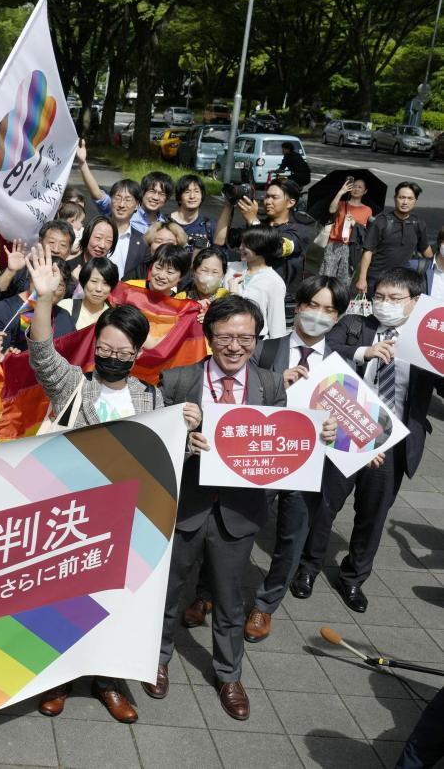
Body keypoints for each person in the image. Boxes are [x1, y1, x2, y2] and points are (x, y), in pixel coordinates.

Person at [26, 247, 164, 723]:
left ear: (138, 354)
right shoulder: (74, 388)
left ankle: (108, 682)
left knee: (115, 607)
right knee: (65, 604)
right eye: (103, 349)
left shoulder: (155, 398)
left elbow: (168, 456)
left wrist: (191, 430)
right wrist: (45, 301)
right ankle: (59, 679)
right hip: (70, 520)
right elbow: (42, 353)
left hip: (126, 525)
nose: (110, 358)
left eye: (122, 353)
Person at [149, 296, 288, 721]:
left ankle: (229, 674)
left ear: (256, 340)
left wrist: (322, 432)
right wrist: (180, 438)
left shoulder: (271, 384)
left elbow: (282, 447)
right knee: (168, 592)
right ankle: (156, 659)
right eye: (225, 336)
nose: (234, 346)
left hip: (239, 511)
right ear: (209, 337)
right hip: (185, 504)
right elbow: (152, 448)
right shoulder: (175, 381)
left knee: (230, 600)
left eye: (245, 338)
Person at [294, 267, 436, 612]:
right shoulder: (358, 325)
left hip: (393, 440)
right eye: (379, 297)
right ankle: (307, 568)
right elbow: (327, 347)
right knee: (325, 504)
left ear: (415, 302)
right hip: (348, 428)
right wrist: (363, 354)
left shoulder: (426, 340)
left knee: (373, 514)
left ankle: (353, 578)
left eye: (394, 298)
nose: (384, 304)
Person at [241, 276, 349, 641]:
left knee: (293, 536)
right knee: (239, 527)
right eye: (312, 306)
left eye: (328, 310)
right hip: (265, 454)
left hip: (311, 463)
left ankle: (265, 606)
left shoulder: (342, 362)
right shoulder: (265, 350)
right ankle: (210, 593)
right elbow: (238, 398)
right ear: (298, 306)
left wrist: (354, 441)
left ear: (339, 317)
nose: (318, 315)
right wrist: (273, 384)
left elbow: (352, 419)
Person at [217, 180, 310, 290]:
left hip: (280, 297)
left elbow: (277, 248)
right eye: (267, 196)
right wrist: (229, 205)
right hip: (248, 292)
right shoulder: (255, 224)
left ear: (291, 202)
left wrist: (253, 220)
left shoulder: (299, 231)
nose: (268, 201)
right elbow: (220, 239)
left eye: (274, 197)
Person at [76, 140, 171, 233]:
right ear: (143, 193)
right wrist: (82, 163)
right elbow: (98, 195)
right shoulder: (125, 209)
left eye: (162, 194)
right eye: (152, 191)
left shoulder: (165, 224)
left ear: (167, 199)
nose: (155, 197)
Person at [357, 182, 433, 296]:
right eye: (402, 197)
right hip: (377, 279)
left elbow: (426, 250)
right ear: (395, 198)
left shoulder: (418, 223)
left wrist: (437, 264)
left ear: (415, 202)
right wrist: (362, 279)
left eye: (410, 198)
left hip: (403, 282)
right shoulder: (382, 221)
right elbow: (368, 251)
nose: (405, 202)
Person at [0, 255, 75, 351]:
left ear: (65, 289)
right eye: (45, 281)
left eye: (58, 285)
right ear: (31, 279)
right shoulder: (4, 310)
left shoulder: (64, 316)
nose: (50, 289)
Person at [227, 226, 288, 339]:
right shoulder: (230, 268)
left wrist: (276, 351)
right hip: (224, 334)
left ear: (262, 247)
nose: (240, 248)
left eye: (246, 245)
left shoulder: (274, 281)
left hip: (255, 341)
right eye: (241, 243)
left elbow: (277, 324)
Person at [319, 177, 372, 287]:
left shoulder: (367, 210)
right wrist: (340, 192)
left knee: (344, 280)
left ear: (365, 191)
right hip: (334, 243)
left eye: (360, 187)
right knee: (326, 276)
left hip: (352, 247)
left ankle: (339, 302)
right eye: (354, 186)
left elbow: (366, 232)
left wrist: (355, 224)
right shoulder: (342, 204)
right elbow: (331, 210)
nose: (356, 189)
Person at [60, 257, 117, 329]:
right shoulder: (65, 307)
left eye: (106, 283)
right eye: (94, 281)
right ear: (84, 281)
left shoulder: (115, 317)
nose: (98, 289)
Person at [170, 174, 215, 248]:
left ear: (202, 197)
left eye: (196, 191)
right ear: (179, 197)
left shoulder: (209, 226)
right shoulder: (166, 222)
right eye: (187, 192)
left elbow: (220, 254)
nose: (192, 196)